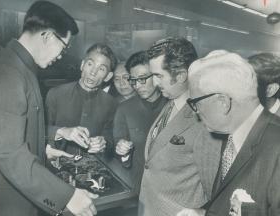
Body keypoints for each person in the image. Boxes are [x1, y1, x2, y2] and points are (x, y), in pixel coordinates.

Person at [0, 1, 98, 216]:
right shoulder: (8, 74)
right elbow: (9, 153)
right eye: (64, 47)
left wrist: (43, 147)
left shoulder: (14, 66)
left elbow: (7, 129)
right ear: (48, 36)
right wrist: (68, 196)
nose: (62, 55)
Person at [182, 50, 280, 216]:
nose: (195, 112)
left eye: (195, 103)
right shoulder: (234, 136)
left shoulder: (276, 147)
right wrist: (203, 212)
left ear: (223, 102)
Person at [138, 37, 221, 216]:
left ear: (182, 76)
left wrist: (201, 212)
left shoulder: (205, 121)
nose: (154, 83)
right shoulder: (170, 102)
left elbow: (216, 187)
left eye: (159, 76)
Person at [45, 43, 118, 155]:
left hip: (92, 167)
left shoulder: (111, 103)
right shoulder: (55, 94)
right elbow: (40, 129)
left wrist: (104, 143)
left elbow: (110, 137)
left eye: (101, 69)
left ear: (108, 76)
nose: (93, 72)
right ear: (82, 65)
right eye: (90, 64)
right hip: (56, 164)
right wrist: (62, 132)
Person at [113, 51, 166, 195]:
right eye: (133, 79)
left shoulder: (173, 105)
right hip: (139, 187)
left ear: (156, 76)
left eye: (143, 79)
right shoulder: (125, 109)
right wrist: (122, 151)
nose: (137, 85)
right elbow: (119, 153)